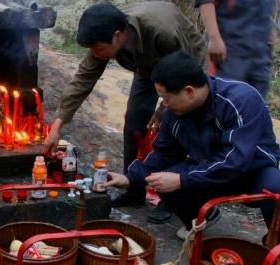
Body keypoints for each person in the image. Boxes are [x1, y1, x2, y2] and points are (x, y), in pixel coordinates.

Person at [103, 52, 280, 240]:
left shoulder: (241, 99)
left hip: (251, 172)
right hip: (207, 171)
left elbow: (235, 160)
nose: (165, 104)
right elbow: (162, 154)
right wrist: (128, 178)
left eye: (167, 98)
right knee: (161, 179)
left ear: (189, 91)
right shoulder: (174, 114)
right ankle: (199, 220)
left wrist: (182, 179)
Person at [43, 2, 206, 215]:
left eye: (98, 48)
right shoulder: (105, 37)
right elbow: (83, 80)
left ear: (118, 35)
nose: (95, 53)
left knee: (173, 125)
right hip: (147, 68)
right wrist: (56, 127)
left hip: (183, 63)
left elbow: (182, 73)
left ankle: (172, 198)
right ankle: (133, 187)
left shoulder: (160, 31)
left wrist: (162, 110)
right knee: (135, 121)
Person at [196, 0, 277, 99]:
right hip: (229, 50)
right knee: (226, 102)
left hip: (261, 51)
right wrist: (214, 37)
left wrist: (270, 26)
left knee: (257, 105)